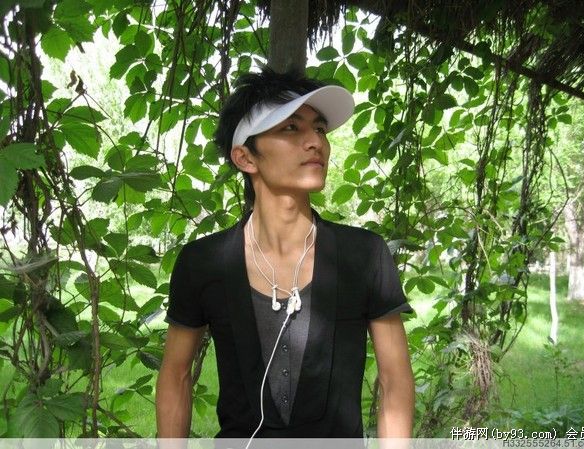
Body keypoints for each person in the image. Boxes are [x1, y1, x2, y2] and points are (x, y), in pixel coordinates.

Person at [156, 69, 415, 439]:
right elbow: (176, 375)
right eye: (291, 128)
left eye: (320, 129)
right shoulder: (203, 263)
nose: (316, 142)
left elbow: (394, 380)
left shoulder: (364, 256)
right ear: (245, 157)